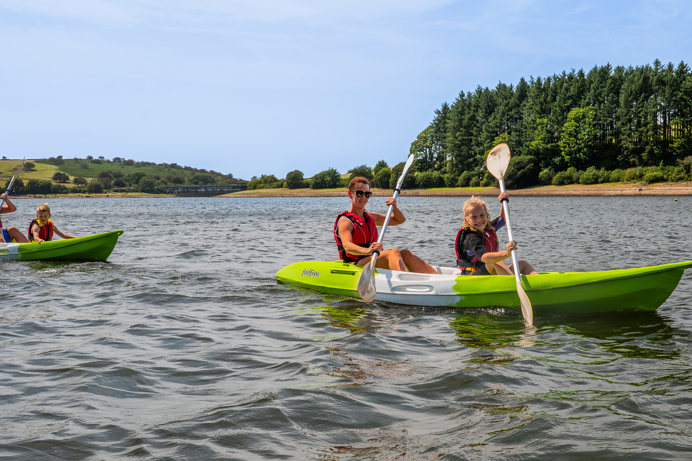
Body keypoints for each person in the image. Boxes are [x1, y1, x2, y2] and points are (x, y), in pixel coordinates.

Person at [334, 176, 438, 274]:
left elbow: (399, 220)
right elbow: (347, 246)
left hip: (372, 258)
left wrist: (394, 207)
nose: (364, 197)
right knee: (393, 253)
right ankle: (406, 283)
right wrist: (368, 250)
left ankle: (437, 278)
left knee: (406, 254)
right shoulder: (345, 221)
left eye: (367, 194)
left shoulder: (371, 217)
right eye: (359, 193)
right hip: (355, 264)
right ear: (350, 194)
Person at [455, 193, 537, 276]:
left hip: (491, 272)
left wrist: (504, 202)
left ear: (487, 215)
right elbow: (484, 257)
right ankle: (512, 283)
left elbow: (504, 218)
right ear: (467, 220)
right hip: (474, 277)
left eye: (482, 215)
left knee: (522, 264)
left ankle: (538, 282)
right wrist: (506, 253)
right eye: (474, 217)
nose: (479, 220)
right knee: (497, 261)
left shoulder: (488, 228)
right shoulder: (471, 238)